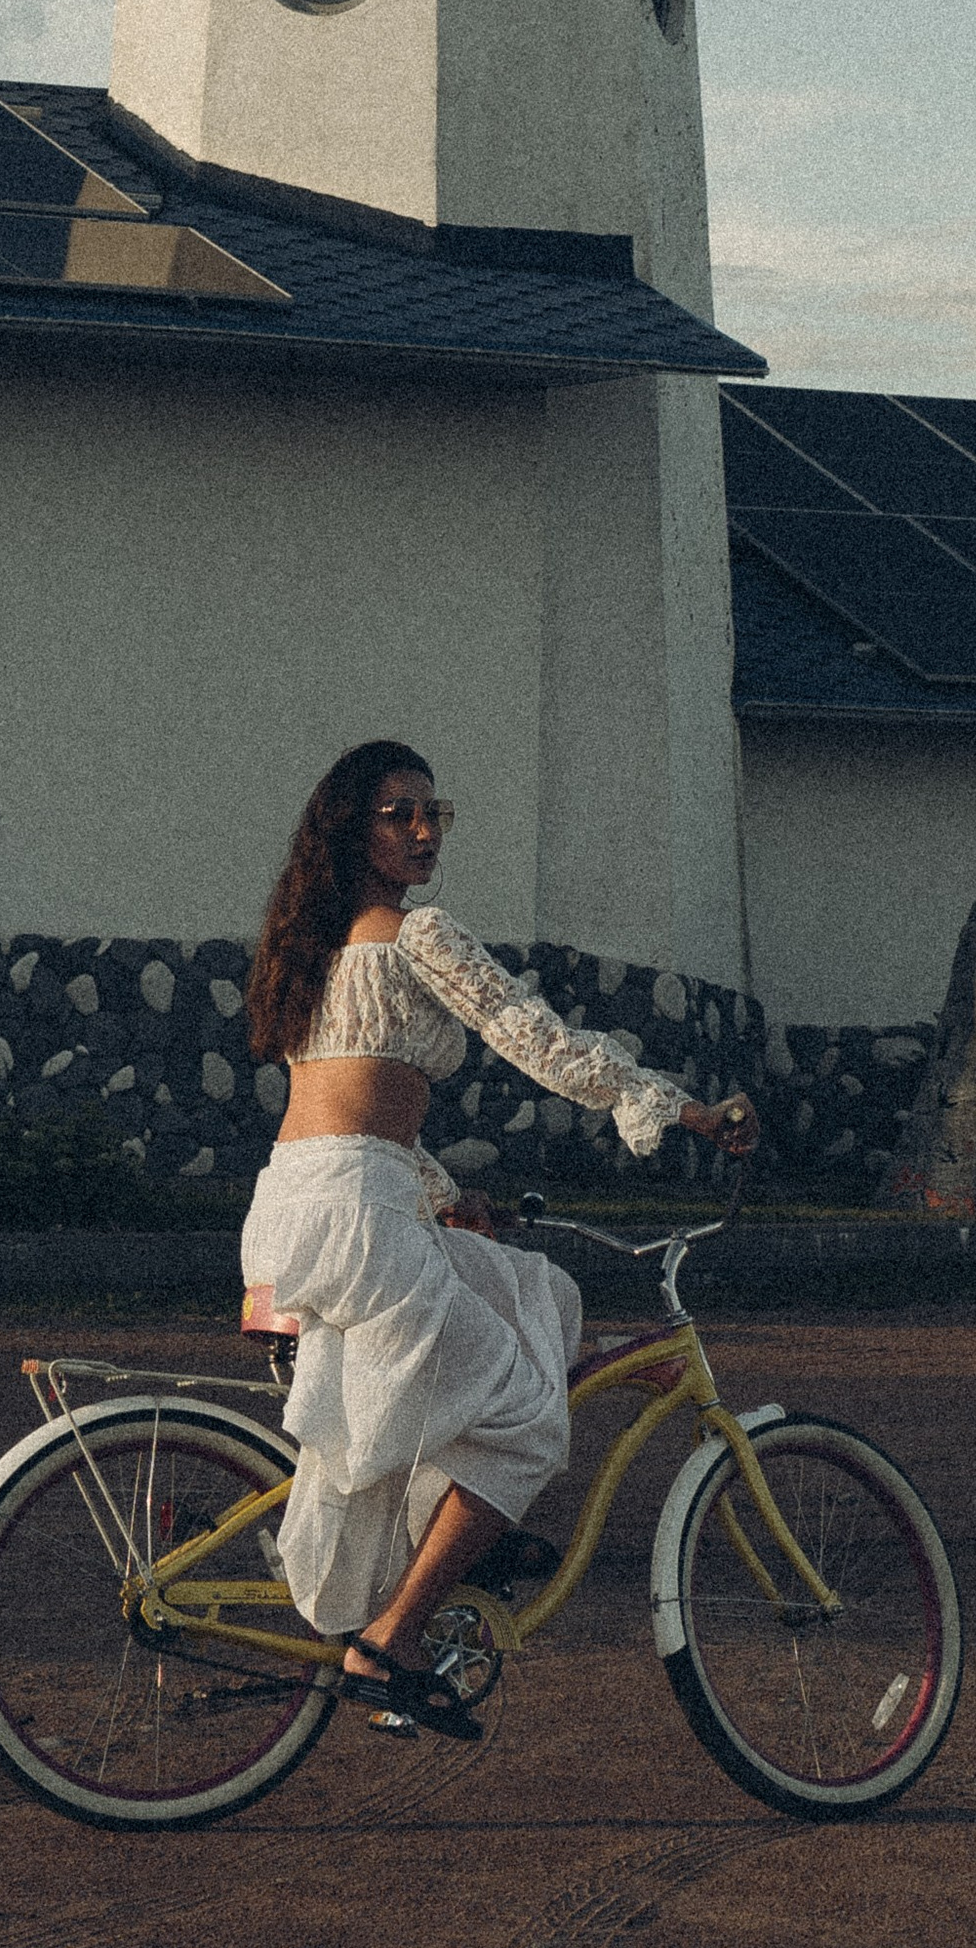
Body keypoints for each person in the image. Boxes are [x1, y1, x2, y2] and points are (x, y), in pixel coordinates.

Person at [240, 737, 758, 1741]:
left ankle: (465, 1544)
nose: (426, 830)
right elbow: (543, 1043)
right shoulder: (416, 933)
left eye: (436, 812)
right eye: (401, 814)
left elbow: (345, 1112)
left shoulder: (319, 945)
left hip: (307, 1202)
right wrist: (685, 1113)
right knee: (527, 1423)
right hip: (352, 1213)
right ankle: (390, 1641)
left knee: (536, 1294)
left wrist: (441, 1195)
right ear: (353, 827)